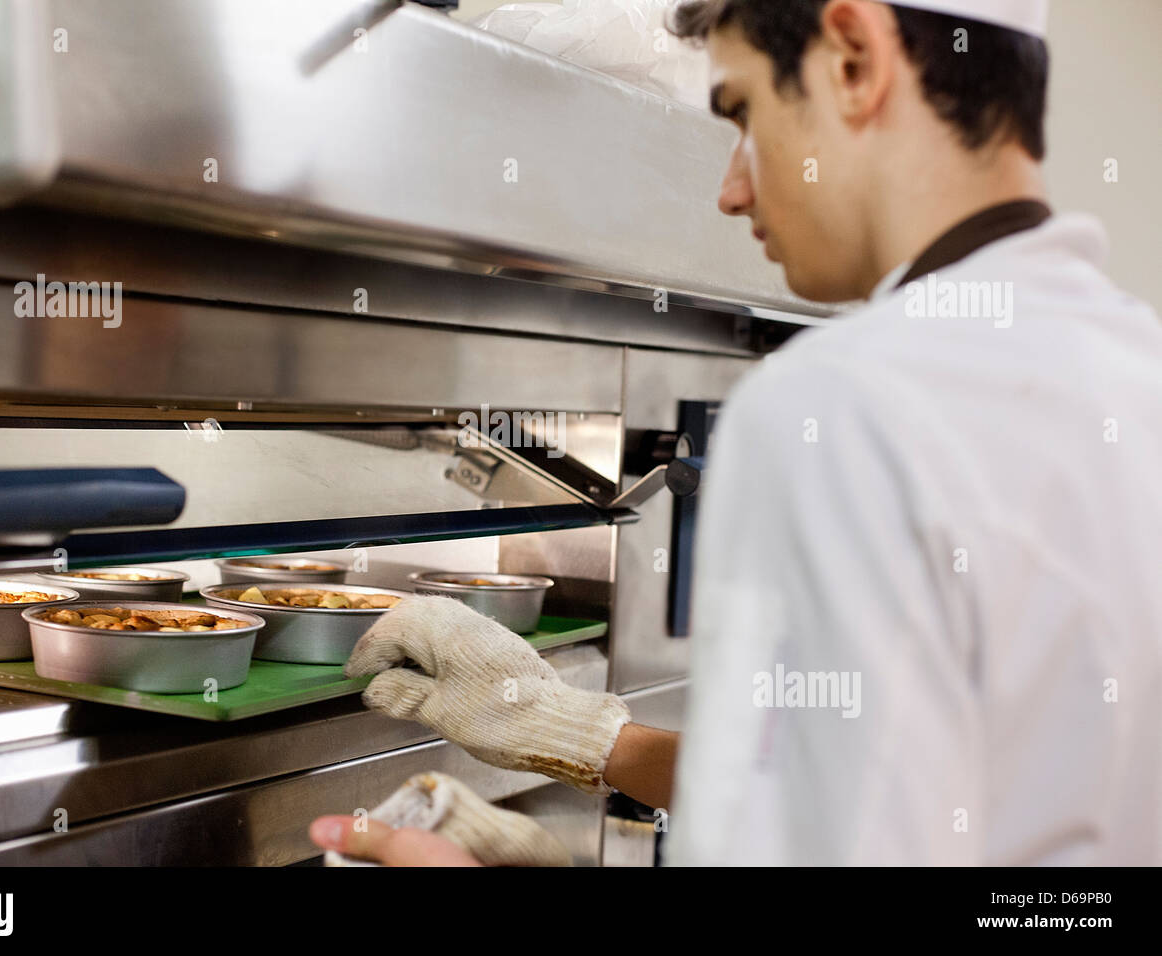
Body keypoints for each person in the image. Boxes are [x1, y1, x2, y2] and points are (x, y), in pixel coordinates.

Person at [310, 0, 1162, 866]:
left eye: (744, 113)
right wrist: (585, 737)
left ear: (855, 61)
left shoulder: (835, 405)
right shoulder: (1135, 372)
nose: (731, 189)